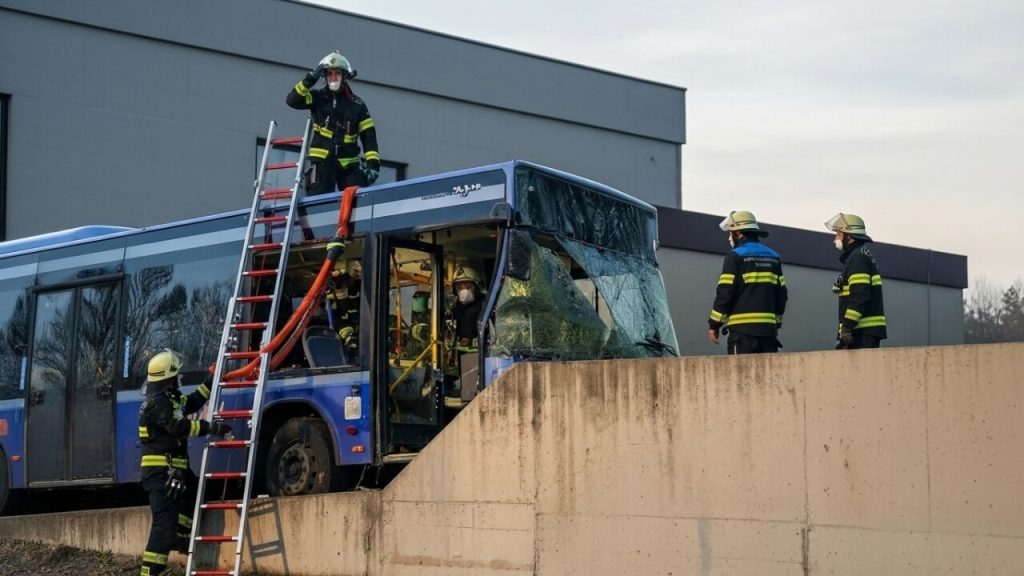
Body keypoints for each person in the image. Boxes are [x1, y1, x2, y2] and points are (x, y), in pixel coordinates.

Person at [138, 350, 230, 576]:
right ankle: (150, 571)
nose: (179, 378)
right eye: (176, 375)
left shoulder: (170, 399)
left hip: (175, 472)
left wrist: (212, 379)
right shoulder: (156, 404)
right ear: (167, 379)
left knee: (198, 493)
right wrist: (211, 428)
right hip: (160, 475)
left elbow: (194, 401)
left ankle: (180, 538)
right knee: (162, 531)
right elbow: (178, 427)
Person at [286, 51, 380, 195]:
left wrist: (373, 165)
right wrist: (310, 79)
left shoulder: (357, 105)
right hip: (322, 162)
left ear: (344, 76)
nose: (333, 77)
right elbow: (292, 100)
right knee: (318, 202)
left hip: (349, 164)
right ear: (325, 76)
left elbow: (369, 137)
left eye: (337, 73)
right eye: (329, 73)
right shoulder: (317, 97)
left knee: (358, 198)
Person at [707, 210, 788, 354]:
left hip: (742, 334)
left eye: (730, 233)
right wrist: (776, 322)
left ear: (739, 234)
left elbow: (725, 293)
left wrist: (714, 325)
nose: (729, 237)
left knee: (741, 375)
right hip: (769, 333)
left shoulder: (735, 256)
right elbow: (781, 295)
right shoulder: (774, 257)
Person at [825, 213, 887, 349]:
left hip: (861, 333)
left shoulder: (858, 258)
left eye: (838, 234)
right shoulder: (859, 255)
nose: (835, 239)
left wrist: (847, 327)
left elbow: (860, 295)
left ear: (850, 237)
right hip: (861, 331)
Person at [451, 266, 485, 349]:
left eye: (468, 287)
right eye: (460, 288)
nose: (464, 291)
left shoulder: (485, 305)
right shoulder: (453, 308)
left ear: (477, 288)